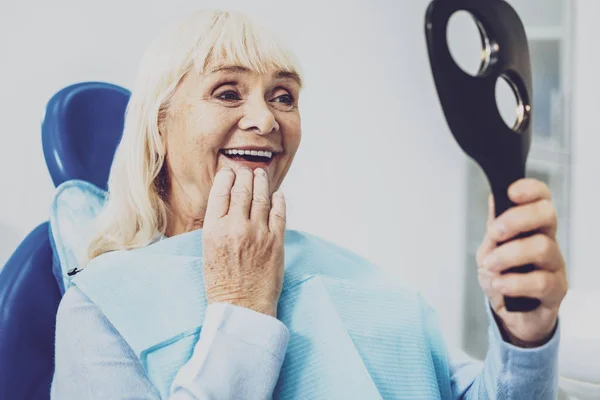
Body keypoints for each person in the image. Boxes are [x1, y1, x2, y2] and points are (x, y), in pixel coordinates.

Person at [50, 9, 567, 399]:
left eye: (283, 96)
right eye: (228, 93)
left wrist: (523, 336)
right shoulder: (100, 308)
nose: (266, 119)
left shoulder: (355, 278)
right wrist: (242, 307)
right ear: (158, 123)